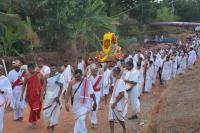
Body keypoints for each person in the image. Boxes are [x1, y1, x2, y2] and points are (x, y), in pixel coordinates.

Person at [21, 63, 45, 129]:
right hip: (30, 95)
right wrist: (22, 94)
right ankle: (34, 122)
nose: (30, 71)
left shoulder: (39, 74)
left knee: (36, 109)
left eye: (31, 69)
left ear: (34, 68)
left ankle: (34, 121)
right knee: (33, 109)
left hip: (38, 95)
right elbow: (24, 85)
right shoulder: (26, 75)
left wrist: (42, 93)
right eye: (29, 70)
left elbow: (43, 84)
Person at [43, 64, 64, 131]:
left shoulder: (59, 76)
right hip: (47, 96)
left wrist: (58, 96)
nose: (53, 70)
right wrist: (41, 94)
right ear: (50, 69)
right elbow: (44, 86)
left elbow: (61, 87)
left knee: (54, 111)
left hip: (55, 96)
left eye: (54, 68)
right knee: (46, 112)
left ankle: (52, 126)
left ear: (56, 69)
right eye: (51, 68)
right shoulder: (46, 76)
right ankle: (49, 123)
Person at [109, 67, 128, 133]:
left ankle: (124, 129)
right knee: (111, 119)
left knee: (120, 118)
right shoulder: (116, 80)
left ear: (115, 72)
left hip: (116, 103)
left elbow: (122, 94)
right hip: (112, 101)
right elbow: (114, 91)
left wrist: (115, 103)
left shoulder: (120, 81)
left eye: (113, 72)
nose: (112, 73)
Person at [88, 64, 102, 129]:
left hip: (97, 93)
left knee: (94, 107)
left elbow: (102, 87)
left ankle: (93, 122)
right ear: (91, 70)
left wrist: (102, 95)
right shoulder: (88, 77)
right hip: (90, 93)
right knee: (90, 107)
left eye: (95, 70)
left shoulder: (100, 77)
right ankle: (91, 120)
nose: (94, 71)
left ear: (97, 70)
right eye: (93, 70)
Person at [0, 65, 12, 133]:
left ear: (2, 70)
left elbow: (9, 91)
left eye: (0, 69)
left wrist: (1, 91)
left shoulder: (5, 79)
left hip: (1, 101)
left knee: (0, 118)